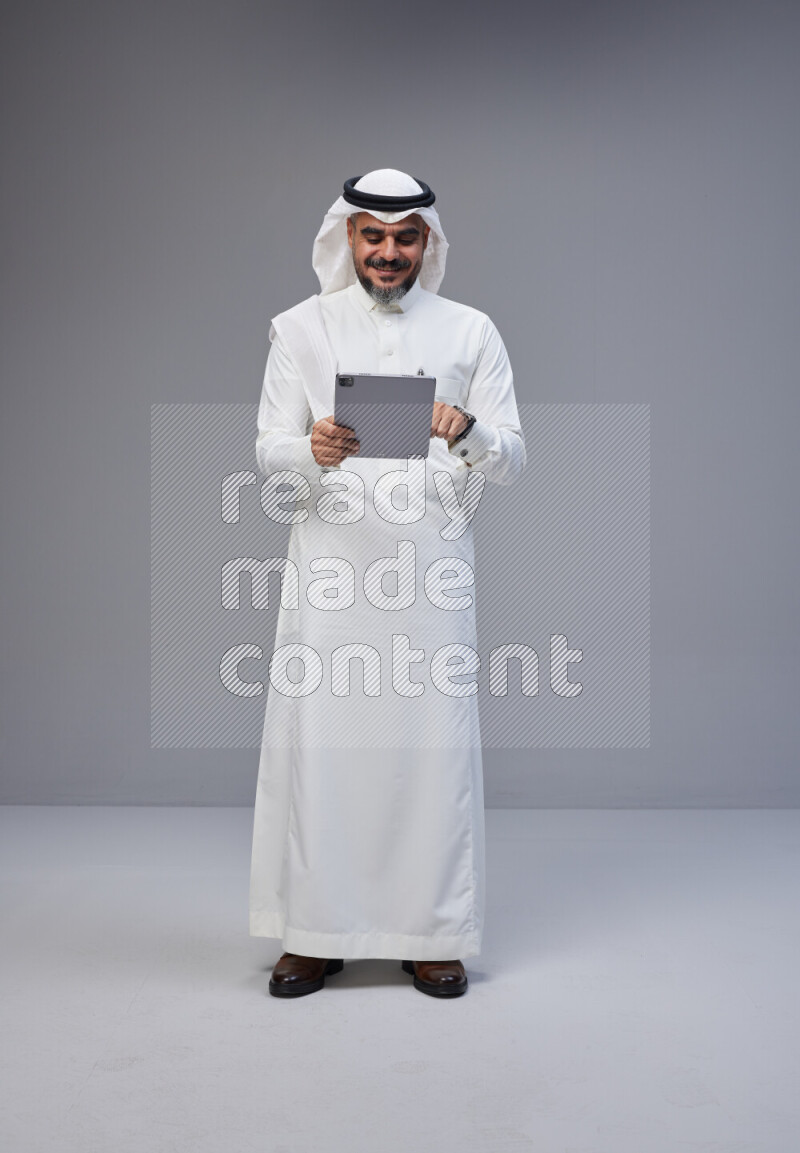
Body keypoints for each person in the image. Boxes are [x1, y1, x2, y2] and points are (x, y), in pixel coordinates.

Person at [249, 169, 526, 998]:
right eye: (373, 235)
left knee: (428, 747)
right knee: (323, 746)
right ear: (349, 237)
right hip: (331, 573)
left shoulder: (472, 331)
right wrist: (311, 450)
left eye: (406, 237)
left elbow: (513, 457)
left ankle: (431, 930)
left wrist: (470, 429)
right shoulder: (299, 330)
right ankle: (314, 933)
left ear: (428, 243)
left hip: (431, 575)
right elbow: (268, 450)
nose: (389, 252)